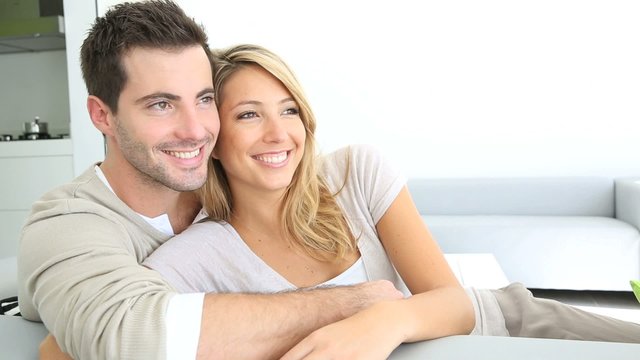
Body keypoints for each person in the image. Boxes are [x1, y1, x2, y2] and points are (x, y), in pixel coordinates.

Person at [143, 43, 640, 359]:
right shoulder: (197, 255)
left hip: (503, 322)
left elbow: (453, 303)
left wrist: (387, 318)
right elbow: (88, 341)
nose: (279, 134)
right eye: (249, 115)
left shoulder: (354, 172)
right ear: (213, 135)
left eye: (289, 109)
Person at [19, 2, 404, 359]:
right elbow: (123, 334)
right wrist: (352, 304)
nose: (196, 130)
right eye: (161, 104)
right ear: (103, 116)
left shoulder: (237, 181)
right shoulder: (66, 224)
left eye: (204, 100)